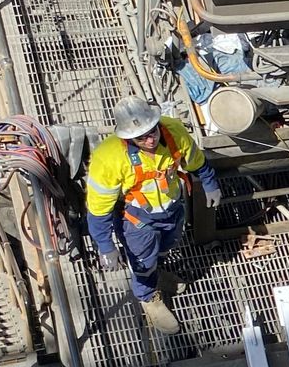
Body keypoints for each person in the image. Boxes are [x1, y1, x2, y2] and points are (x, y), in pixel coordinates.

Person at [86, 97, 222, 337]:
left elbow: (195, 161)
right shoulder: (108, 158)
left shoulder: (173, 132)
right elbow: (98, 209)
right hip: (138, 221)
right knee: (143, 262)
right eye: (141, 137)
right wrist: (105, 245)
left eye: (152, 131)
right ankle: (148, 296)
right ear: (127, 137)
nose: (150, 140)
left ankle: (157, 273)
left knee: (166, 246)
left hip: (172, 209)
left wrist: (210, 182)